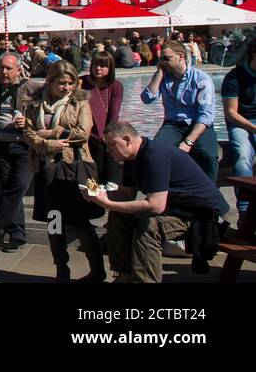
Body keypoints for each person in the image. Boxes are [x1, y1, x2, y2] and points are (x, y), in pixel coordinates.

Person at [89, 121, 229, 283]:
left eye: (112, 145)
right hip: (177, 208)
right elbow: (126, 193)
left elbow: (155, 205)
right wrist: (97, 196)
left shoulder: (155, 156)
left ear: (127, 139)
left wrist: (108, 204)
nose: (108, 150)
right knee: (118, 216)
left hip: (204, 214)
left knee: (148, 226)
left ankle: (146, 281)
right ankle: (125, 275)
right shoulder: (131, 158)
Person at [23, 61, 105, 282]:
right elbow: (28, 133)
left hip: (75, 167)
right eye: (62, 83)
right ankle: (62, 268)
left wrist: (51, 133)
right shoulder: (33, 104)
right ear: (50, 82)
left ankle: (97, 270)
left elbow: (82, 133)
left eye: (70, 83)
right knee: (54, 220)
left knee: (80, 221)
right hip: (47, 168)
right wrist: (49, 145)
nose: (67, 87)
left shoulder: (79, 102)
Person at [0, 52, 43, 252]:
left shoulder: (32, 86)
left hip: (23, 146)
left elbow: (49, 108)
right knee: (9, 189)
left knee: (18, 187)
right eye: (1, 68)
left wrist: (29, 122)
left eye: (9, 68)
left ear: (19, 69)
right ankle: (17, 233)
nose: (4, 72)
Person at [141, 40, 219, 182]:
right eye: (160, 59)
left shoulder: (201, 79)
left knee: (208, 155)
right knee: (156, 151)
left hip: (198, 125)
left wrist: (188, 142)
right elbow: (147, 99)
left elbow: (206, 115)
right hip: (173, 125)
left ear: (181, 57)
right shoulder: (164, 77)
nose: (163, 62)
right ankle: (164, 192)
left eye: (166, 59)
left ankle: (210, 192)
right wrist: (158, 74)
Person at [221, 38, 256, 216]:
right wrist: (253, 129)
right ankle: (245, 210)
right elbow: (231, 113)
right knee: (242, 155)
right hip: (241, 122)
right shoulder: (235, 77)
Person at [82, 51, 124, 187]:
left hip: (107, 132)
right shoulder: (83, 83)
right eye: (95, 65)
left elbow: (114, 113)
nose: (98, 68)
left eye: (103, 66)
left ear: (110, 68)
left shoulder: (116, 86)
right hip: (89, 133)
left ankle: (113, 189)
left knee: (113, 150)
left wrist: (108, 134)